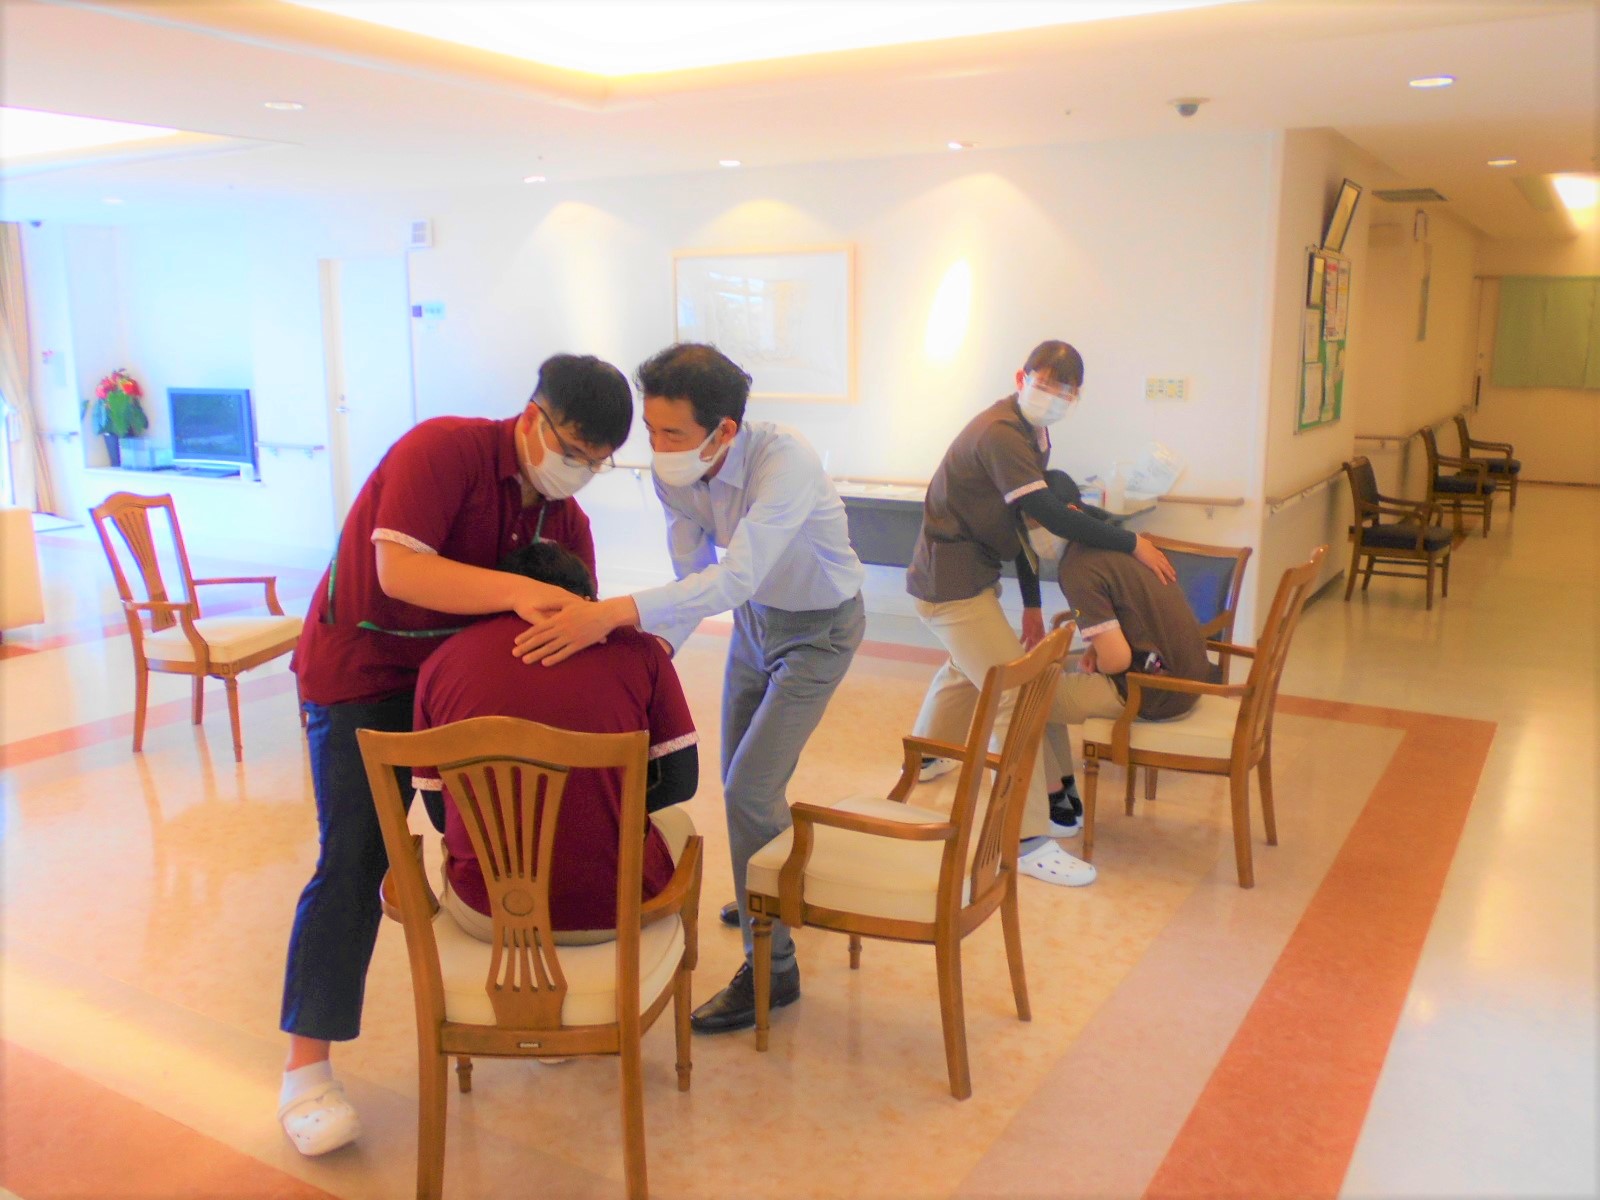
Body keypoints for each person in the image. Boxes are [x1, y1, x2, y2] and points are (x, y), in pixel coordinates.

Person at [278, 354, 632, 1157]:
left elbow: (567, 624)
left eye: (597, 461)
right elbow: (398, 569)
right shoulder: (442, 451)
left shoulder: (566, 521)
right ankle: (306, 1073)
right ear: (533, 417)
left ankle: (527, 1009)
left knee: (515, 842)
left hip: (461, 687)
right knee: (358, 858)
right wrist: (514, 592)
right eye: (572, 449)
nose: (579, 471)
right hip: (364, 674)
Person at [513, 343, 866, 1035]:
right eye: (651, 430)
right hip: (756, 623)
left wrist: (613, 613)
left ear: (724, 430)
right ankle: (766, 889)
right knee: (741, 780)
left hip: (821, 630)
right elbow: (691, 580)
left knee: (749, 790)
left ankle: (775, 968)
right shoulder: (673, 475)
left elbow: (734, 576)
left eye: (672, 433)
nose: (658, 447)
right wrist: (640, 659)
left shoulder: (785, 462)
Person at [905, 341, 1176, 889]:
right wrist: (1131, 542)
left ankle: (926, 757)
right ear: (1021, 378)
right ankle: (1024, 839)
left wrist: (1031, 603)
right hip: (949, 584)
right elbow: (1048, 513)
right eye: (1043, 384)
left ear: (1076, 396)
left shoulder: (1035, 434)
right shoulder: (1002, 433)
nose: (1051, 396)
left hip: (970, 577)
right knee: (1016, 691)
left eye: (1063, 391)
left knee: (968, 666)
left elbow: (1023, 525)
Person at [412, 542, 699, 943]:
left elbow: (440, 813)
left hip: (488, 914)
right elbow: (680, 781)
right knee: (680, 827)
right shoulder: (640, 651)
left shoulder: (440, 664)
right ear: (589, 598)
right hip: (614, 909)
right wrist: (599, 810)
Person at [1030, 470, 1219, 775]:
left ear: (1069, 514)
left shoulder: (1077, 568)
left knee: (1024, 698)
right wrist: (1096, 649)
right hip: (1190, 674)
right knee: (1049, 669)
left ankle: (1052, 792)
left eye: (1035, 524)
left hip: (1158, 691)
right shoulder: (1118, 542)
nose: (1032, 534)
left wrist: (1101, 661)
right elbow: (1129, 619)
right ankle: (1056, 787)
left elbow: (1117, 660)